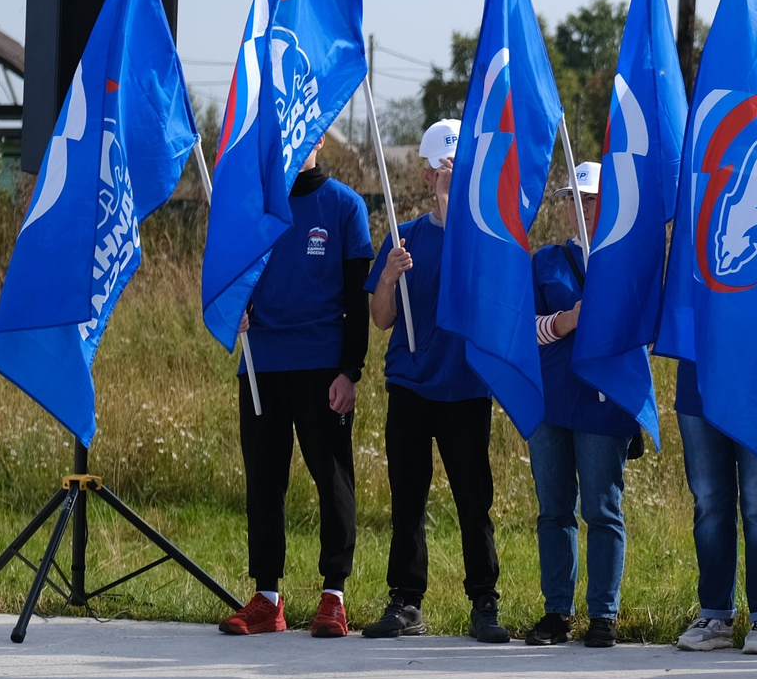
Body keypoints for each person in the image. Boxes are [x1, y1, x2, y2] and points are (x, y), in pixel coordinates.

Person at [220, 140, 373, 638]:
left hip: (322, 364)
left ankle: (334, 595)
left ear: (321, 136)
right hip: (262, 363)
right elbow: (232, 278)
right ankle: (267, 598)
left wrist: (350, 370)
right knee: (264, 481)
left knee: (332, 478)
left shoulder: (346, 206)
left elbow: (358, 298)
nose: (295, 143)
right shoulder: (255, 206)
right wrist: (234, 310)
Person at [364, 120, 506, 642]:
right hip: (411, 384)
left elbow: (483, 298)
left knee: (473, 498)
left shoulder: (481, 239)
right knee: (407, 498)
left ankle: (484, 601)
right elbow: (381, 319)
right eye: (442, 169)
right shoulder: (403, 237)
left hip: (465, 387)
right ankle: (405, 600)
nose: (448, 175)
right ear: (426, 175)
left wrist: (452, 207)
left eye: (457, 168)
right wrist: (388, 277)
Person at [524, 162, 643, 648]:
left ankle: (603, 614)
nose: (584, 208)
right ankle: (557, 612)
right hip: (551, 401)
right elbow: (522, 330)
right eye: (575, 199)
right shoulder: (545, 261)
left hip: (604, 403)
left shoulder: (629, 259)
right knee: (554, 510)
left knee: (602, 509)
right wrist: (565, 322)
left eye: (592, 199)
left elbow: (645, 331)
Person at [672, 261, 757, 657]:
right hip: (700, 386)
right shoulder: (695, 238)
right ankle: (715, 615)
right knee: (710, 503)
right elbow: (676, 301)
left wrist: (746, 344)